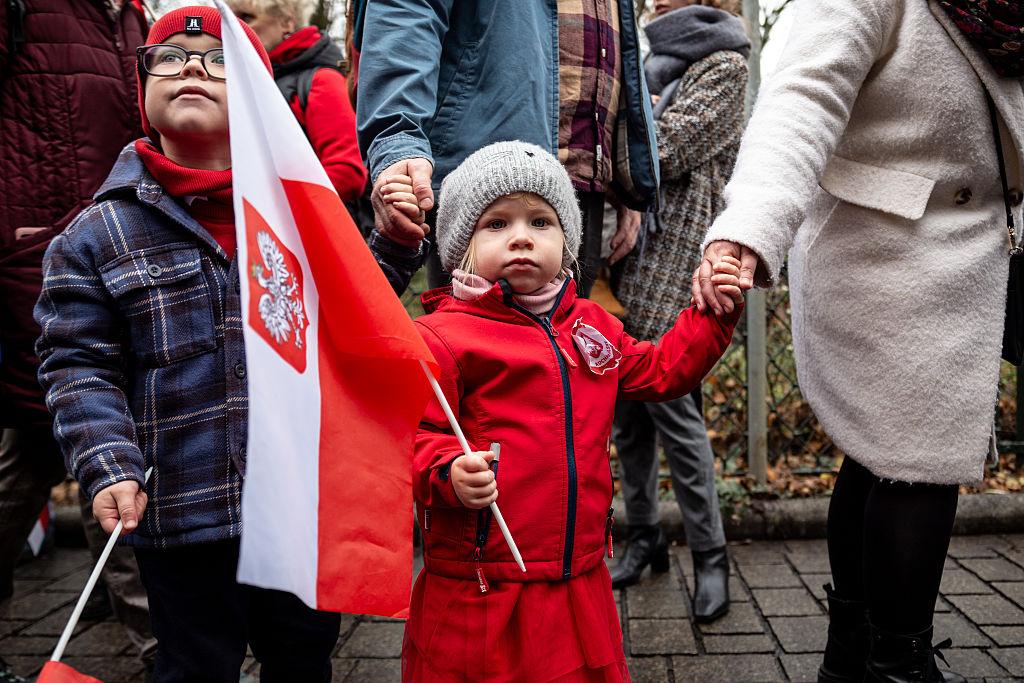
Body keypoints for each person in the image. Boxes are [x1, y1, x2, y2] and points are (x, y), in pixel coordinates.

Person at [34, 8, 419, 681]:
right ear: (143, 88)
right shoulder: (95, 234)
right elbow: (77, 364)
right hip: (181, 513)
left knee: (302, 660)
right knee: (194, 667)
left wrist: (395, 240)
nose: (191, 67)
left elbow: (356, 311)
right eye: (170, 57)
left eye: (219, 61)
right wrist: (108, 460)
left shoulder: (298, 214)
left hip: (296, 507)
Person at [692, 0, 1024, 680]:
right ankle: (897, 663)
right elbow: (798, 101)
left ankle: (851, 651)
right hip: (881, 253)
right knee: (916, 456)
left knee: (882, 455)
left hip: (985, 246)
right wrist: (748, 228)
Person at [391, 140, 743, 681]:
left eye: (541, 220)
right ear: (462, 245)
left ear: (568, 239)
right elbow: (409, 436)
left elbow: (664, 370)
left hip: (579, 578)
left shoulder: (592, 327)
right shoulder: (442, 338)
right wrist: (445, 470)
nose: (522, 236)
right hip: (483, 588)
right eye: (496, 224)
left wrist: (713, 313)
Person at [0, 0, 156, 676]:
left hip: (123, 259)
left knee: (97, 445)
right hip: (33, 267)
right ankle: (163, 646)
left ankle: (164, 647)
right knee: (51, 445)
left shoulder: (132, 18)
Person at [355, 0, 660, 296]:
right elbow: (406, 14)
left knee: (569, 343)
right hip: (483, 176)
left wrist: (625, 172)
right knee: (469, 340)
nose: (522, 241)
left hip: (586, 185)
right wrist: (399, 139)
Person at [609, 0, 749, 625]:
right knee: (626, 415)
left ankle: (711, 556)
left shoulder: (726, 64)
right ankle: (645, 537)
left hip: (678, 261)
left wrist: (604, 139)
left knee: (676, 416)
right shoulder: (648, 65)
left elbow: (666, 146)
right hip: (628, 256)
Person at [228, 0, 368, 203]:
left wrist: (274, 208)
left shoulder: (321, 80)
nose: (236, 25)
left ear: (287, 22)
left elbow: (348, 172)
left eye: (247, 17)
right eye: (231, 18)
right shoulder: (246, 79)